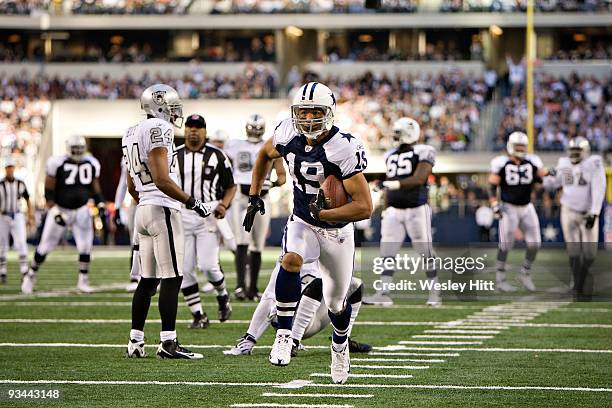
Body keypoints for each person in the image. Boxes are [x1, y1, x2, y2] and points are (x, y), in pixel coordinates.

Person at [243, 82, 373, 384]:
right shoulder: (287, 132)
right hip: (302, 220)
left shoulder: (344, 147)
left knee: (336, 304)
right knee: (290, 260)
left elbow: (364, 207)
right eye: (303, 112)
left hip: (337, 232)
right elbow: (264, 155)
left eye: (316, 111)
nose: (309, 118)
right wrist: (254, 195)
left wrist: (326, 213)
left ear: (329, 113)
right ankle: (285, 335)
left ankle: (340, 345)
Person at [123, 84, 214, 359]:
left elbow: (130, 184)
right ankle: (168, 343)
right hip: (162, 208)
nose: (177, 112)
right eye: (172, 106)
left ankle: (136, 342)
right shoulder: (159, 129)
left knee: (147, 281)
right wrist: (192, 202)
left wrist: (147, 203)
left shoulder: (129, 132)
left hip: (143, 209)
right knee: (173, 277)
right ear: (159, 105)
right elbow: (162, 180)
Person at [362, 117, 440, 307]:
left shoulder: (424, 150)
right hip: (394, 210)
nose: (395, 137)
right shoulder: (390, 153)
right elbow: (390, 179)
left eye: (398, 133)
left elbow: (419, 178)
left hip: (417, 208)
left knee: (425, 251)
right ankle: (383, 293)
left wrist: (391, 184)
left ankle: (434, 292)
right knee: (386, 252)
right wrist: (386, 207)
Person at [225, 260, 371, 356]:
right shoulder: (290, 257)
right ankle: (292, 341)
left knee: (355, 285)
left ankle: (343, 340)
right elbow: (269, 297)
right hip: (288, 320)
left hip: (314, 317)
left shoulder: (330, 251)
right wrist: (251, 338)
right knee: (319, 283)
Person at [175, 113, 236, 328]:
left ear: (205, 131)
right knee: (185, 269)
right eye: (190, 126)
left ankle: (222, 295)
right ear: (184, 130)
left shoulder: (218, 155)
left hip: (207, 215)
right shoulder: (174, 155)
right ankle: (198, 314)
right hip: (181, 215)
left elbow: (231, 185)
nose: (193, 130)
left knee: (209, 266)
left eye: (198, 127)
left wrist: (224, 204)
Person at [23, 135, 104, 294]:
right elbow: (49, 187)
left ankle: (83, 281)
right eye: (75, 148)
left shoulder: (91, 163)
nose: (78, 151)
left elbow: (95, 185)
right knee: (46, 245)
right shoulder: (57, 162)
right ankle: (30, 274)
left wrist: (100, 202)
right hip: (61, 208)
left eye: (80, 148)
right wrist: (53, 208)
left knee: (85, 246)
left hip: (81, 209)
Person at [225, 114, 286, 300]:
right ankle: (240, 286)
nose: (254, 131)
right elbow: (225, 168)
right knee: (241, 240)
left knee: (258, 244)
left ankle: (252, 288)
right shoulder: (234, 145)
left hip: (261, 197)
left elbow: (282, 176)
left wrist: (271, 184)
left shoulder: (270, 145)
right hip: (240, 197)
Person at [545, 137, 606, 300]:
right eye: (571, 151)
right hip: (568, 210)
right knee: (573, 251)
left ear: (585, 152)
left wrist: (594, 212)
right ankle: (578, 285)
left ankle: (580, 281)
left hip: (587, 213)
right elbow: (552, 183)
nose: (573, 154)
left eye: (577, 151)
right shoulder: (563, 163)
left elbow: (599, 187)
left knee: (589, 254)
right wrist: (548, 175)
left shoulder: (594, 163)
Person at [489, 131, 548, 292]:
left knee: (535, 243)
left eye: (523, 146)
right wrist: (494, 204)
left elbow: (540, 180)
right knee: (505, 244)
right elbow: (492, 186)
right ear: (510, 146)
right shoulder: (501, 163)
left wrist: (544, 176)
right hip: (509, 207)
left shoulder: (533, 161)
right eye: (518, 146)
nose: (520, 149)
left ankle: (525, 272)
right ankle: (499, 279)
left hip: (527, 206)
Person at [0, 157, 34, 284]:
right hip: (3, 216)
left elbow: (27, 199)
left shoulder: (20, 183)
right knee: (2, 244)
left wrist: (31, 216)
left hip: (17, 215)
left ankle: (24, 271)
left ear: (14, 168)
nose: (10, 170)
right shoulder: (0, 184)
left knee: (21, 243)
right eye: (8, 167)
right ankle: (2, 271)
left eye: (11, 167)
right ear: (5, 169)